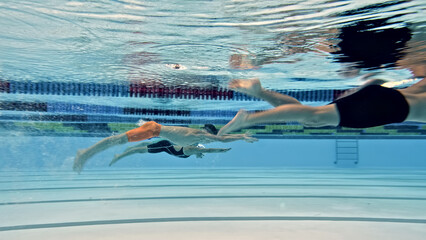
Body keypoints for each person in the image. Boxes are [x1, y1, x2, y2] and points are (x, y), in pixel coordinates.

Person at [217, 77, 426, 135]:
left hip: (386, 97)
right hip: (391, 108)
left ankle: (259, 92)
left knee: (312, 119)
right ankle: (249, 119)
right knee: (314, 117)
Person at [73, 122, 257, 173]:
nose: (209, 140)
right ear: (207, 132)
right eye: (209, 136)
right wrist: (241, 136)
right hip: (152, 131)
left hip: (153, 131)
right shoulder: (201, 135)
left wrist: (199, 152)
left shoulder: (197, 138)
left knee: (119, 141)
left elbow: (207, 144)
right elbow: (221, 139)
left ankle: (86, 154)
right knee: (118, 141)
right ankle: (85, 153)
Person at [109, 140, 231, 166]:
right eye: (201, 152)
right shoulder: (191, 150)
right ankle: (119, 155)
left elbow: (204, 151)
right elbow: (208, 150)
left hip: (165, 147)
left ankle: (128, 149)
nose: (201, 155)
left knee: (142, 149)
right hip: (165, 145)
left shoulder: (190, 152)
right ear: (198, 149)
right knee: (141, 150)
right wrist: (221, 150)